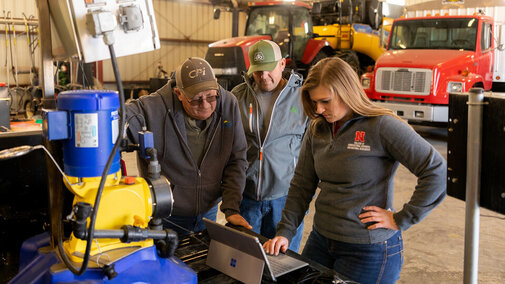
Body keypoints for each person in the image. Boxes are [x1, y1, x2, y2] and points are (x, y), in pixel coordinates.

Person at [263, 57, 446, 283]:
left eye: (326, 101)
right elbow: (302, 184)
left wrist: (402, 218)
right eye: (314, 102)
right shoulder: (317, 129)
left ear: (346, 92)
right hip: (321, 240)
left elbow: (436, 170)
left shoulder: (381, 125)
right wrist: (285, 231)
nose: (319, 109)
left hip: (369, 250)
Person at [126, 57, 251, 236]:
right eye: (196, 100)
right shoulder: (151, 108)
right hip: (166, 214)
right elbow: (119, 118)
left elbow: (237, 158)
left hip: (207, 211)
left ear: (216, 85)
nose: (206, 105)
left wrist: (231, 208)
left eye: (211, 96)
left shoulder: (228, 103)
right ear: (179, 93)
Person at [231, 40, 308, 252]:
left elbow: (312, 148)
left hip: (285, 198)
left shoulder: (303, 97)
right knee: (247, 259)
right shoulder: (238, 96)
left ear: (282, 64)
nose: (263, 77)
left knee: (283, 262)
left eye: (268, 70)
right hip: (247, 197)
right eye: (257, 72)